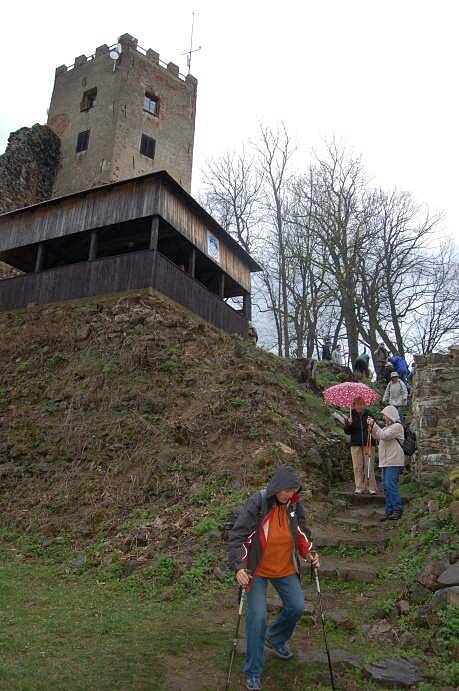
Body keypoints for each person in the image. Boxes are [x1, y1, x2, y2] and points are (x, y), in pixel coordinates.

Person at [228, 464, 319, 691]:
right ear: (276, 488)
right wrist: (240, 566)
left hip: (284, 567)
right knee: (257, 618)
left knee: (297, 606)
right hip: (256, 569)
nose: (291, 494)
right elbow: (238, 535)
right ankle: (253, 672)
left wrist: (308, 553)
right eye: (287, 490)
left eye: (293, 490)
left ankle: (276, 638)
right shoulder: (259, 503)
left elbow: (301, 532)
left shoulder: (294, 506)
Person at [368, 406, 405, 521]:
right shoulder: (387, 428)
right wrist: (371, 427)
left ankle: (397, 509)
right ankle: (389, 511)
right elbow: (378, 436)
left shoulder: (397, 427)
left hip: (394, 460)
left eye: (385, 415)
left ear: (390, 415)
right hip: (386, 461)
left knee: (390, 485)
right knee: (386, 486)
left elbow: (384, 436)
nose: (383, 417)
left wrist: (374, 425)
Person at [343, 396, 377, 494]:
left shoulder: (369, 414)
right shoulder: (351, 415)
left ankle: (371, 487)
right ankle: (359, 487)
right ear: (354, 405)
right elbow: (347, 432)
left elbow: (374, 427)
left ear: (365, 405)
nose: (360, 406)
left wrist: (371, 423)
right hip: (355, 444)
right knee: (357, 466)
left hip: (369, 443)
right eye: (358, 404)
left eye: (362, 404)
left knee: (369, 465)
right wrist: (348, 424)